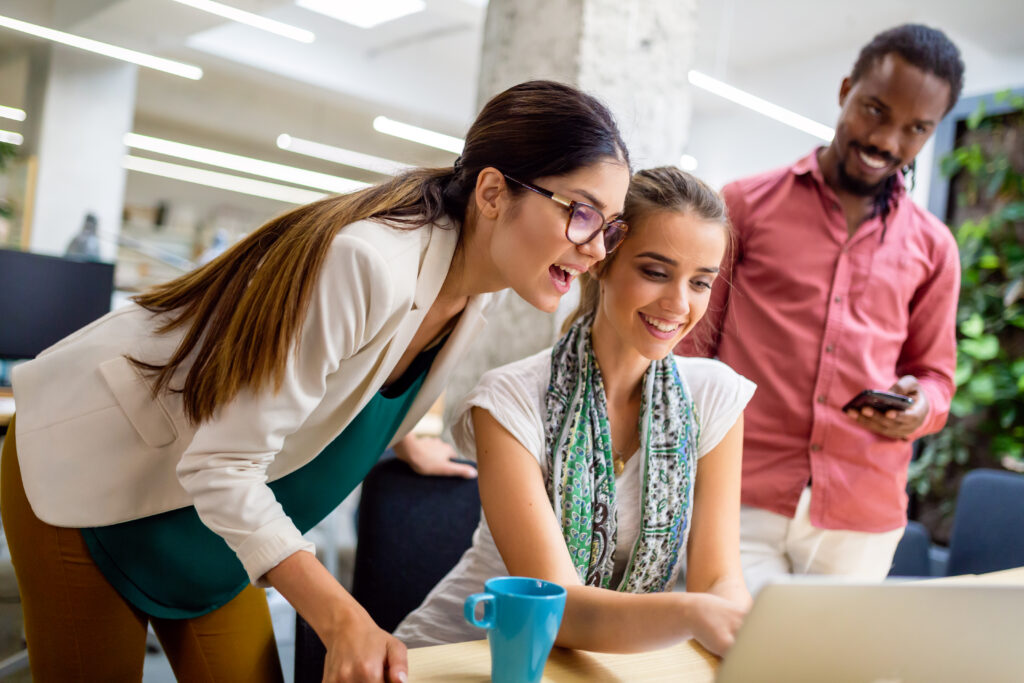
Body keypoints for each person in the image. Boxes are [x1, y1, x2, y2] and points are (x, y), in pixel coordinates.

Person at [1, 80, 632, 682]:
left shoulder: (477, 294)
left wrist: (398, 434)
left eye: (610, 227)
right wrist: (343, 619)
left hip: (210, 520)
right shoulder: (370, 263)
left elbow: (344, 380)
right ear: (493, 194)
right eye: (581, 213)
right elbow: (223, 463)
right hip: (96, 472)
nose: (598, 250)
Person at [396, 167, 754, 656]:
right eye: (655, 272)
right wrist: (692, 612)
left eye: (701, 283)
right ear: (603, 260)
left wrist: (735, 623)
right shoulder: (509, 399)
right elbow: (556, 610)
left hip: (606, 663)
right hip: (472, 654)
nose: (678, 304)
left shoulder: (714, 396)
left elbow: (719, 579)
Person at [676, 24, 965, 594]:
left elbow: (936, 376)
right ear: (844, 91)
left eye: (916, 129)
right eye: (875, 110)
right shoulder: (744, 205)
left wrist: (920, 406)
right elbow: (691, 346)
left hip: (860, 514)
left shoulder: (934, 248)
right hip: (739, 494)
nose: (887, 139)